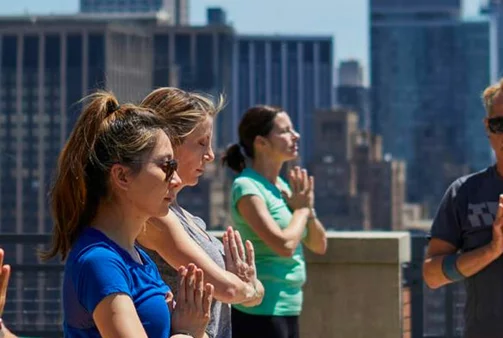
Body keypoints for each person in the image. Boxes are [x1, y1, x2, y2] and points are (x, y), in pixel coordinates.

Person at [40, 91, 214, 338]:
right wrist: (187, 331)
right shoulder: (100, 261)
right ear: (122, 176)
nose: (175, 180)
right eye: (167, 166)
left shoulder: (138, 257)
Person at [137, 87, 264, 338]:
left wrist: (248, 287)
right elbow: (228, 291)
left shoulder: (188, 219)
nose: (210, 155)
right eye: (201, 143)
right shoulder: (158, 218)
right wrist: (250, 288)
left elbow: (239, 291)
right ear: (170, 144)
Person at [222, 105, 327, 338]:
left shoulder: (283, 187)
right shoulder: (247, 187)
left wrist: (307, 208)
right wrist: (300, 209)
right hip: (260, 310)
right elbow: (284, 246)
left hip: (290, 306)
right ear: (261, 143)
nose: (295, 135)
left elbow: (319, 245)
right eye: (285, 130)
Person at [423, 78, 503, 338]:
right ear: (487, 128)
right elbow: (432, 275)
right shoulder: (464, 193)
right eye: (500, 124)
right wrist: (492, 250)